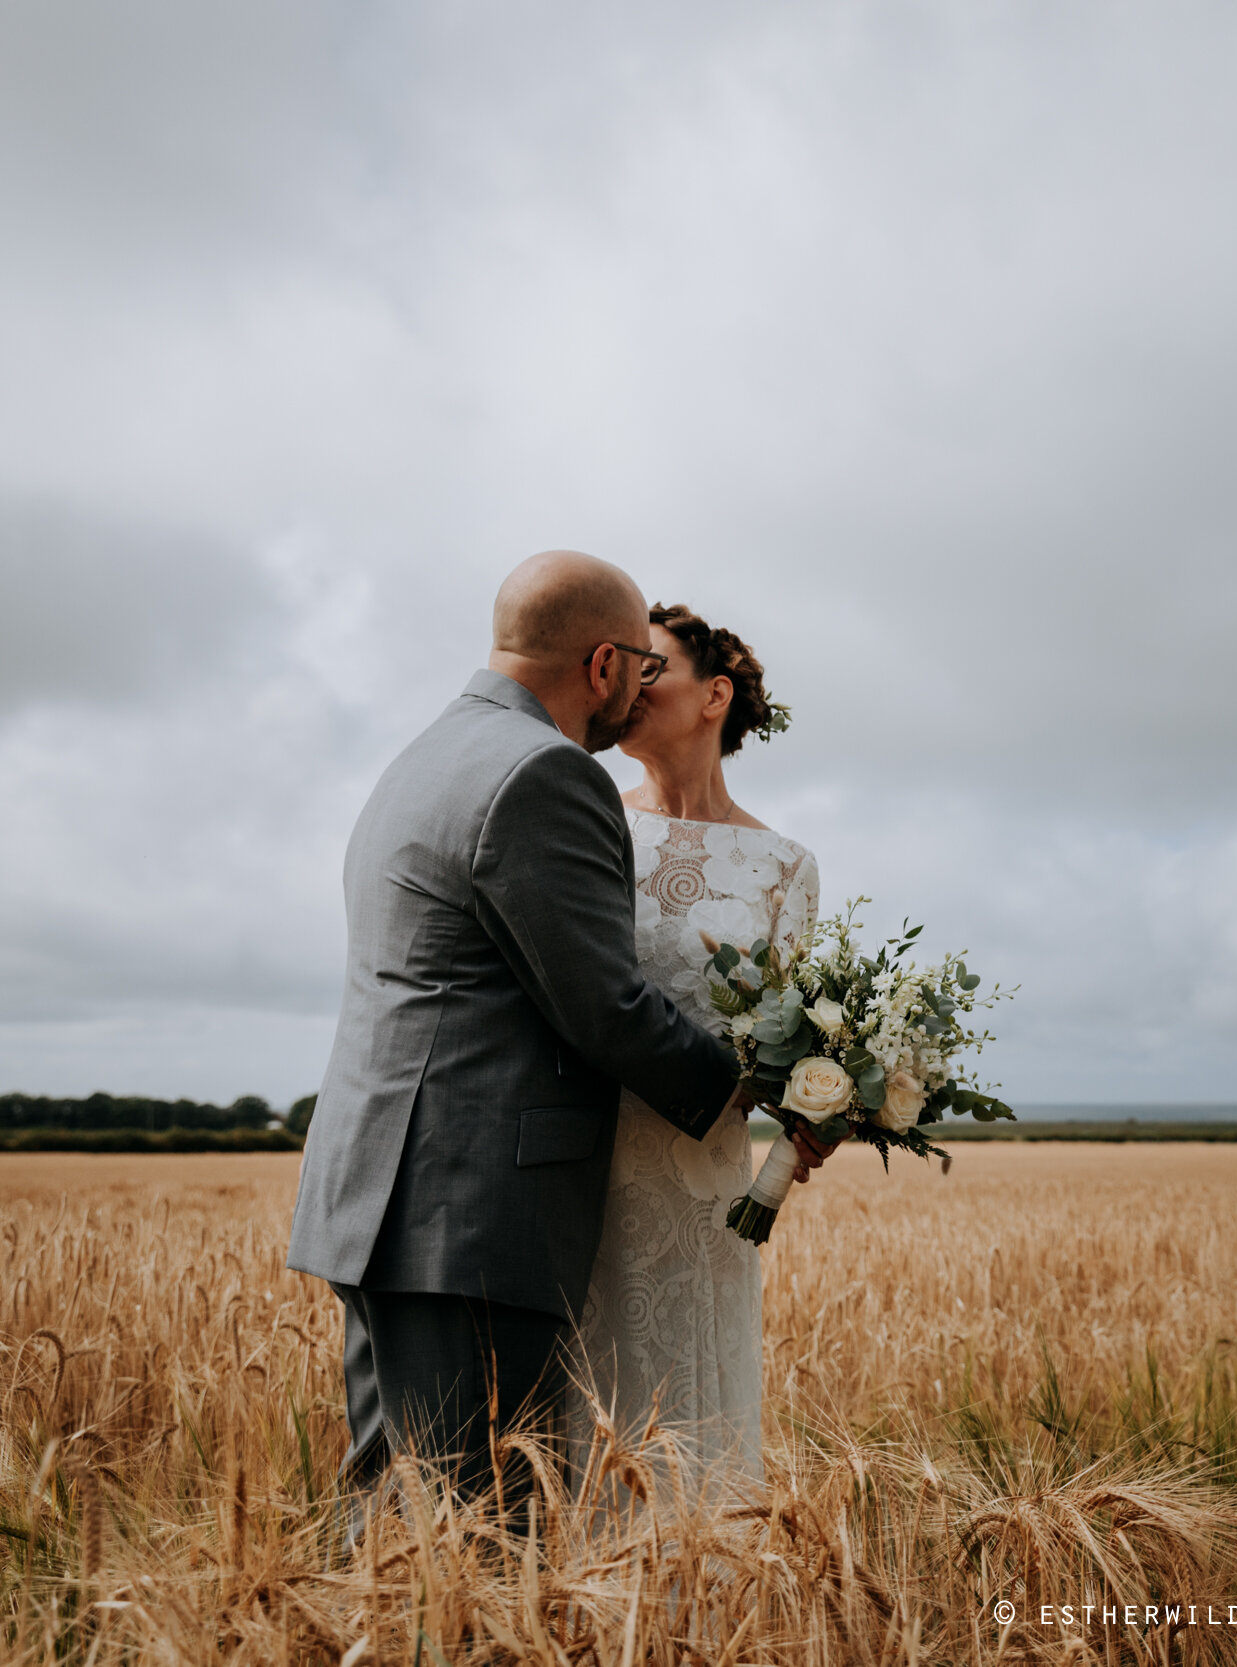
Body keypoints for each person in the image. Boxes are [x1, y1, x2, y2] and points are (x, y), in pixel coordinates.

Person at [286, 551, 830, 1510]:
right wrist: (763, 1090)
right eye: (640, 667)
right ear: (605, 665)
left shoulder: (428, 752)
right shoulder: (544, 773)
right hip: (469, 1207)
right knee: (470, 1531)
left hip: (395, 1196)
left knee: (403, 1515)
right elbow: (604, 1007)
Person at [571, 603, 815, 1486]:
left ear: (716, 694)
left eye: (654, 666)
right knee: (587, 1434)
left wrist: (819, 1110)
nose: (631, 683)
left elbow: (791, 1039)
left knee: (699, 1437)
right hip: (581, 1165)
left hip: (707, 1186)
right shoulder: (588, 816)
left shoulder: (785, 865)